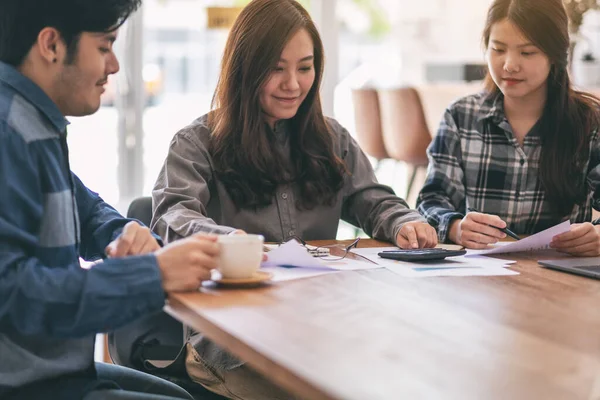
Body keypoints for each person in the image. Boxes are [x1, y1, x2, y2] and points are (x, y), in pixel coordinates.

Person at [151, 0, 437, 398]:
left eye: (305, 67)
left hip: (319, 329)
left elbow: (370, 198)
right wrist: (227, 242)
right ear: (245, 69)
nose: (293, 84)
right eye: (276, 68)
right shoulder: (197, 143)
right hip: (233, 346)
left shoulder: (331, 138)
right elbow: (172, 215)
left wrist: (403, 221)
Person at [0, 1, 221, 399]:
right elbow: (14, 294)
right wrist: (154, 275)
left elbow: (81, 205)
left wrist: (122, 230)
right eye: (105, 47)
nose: (114, 66)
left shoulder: (31, 120)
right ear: (51, 45)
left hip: (57, 368)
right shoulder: (8, 131)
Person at [417, 0, 600, 256]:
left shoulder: (589, 122)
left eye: (527, 52)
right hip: (480, 276)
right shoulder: (461, 116)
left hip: (560, 275)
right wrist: (456, 227)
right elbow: (432, 199)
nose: (509, 64)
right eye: (498, 49)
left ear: (555, 55)